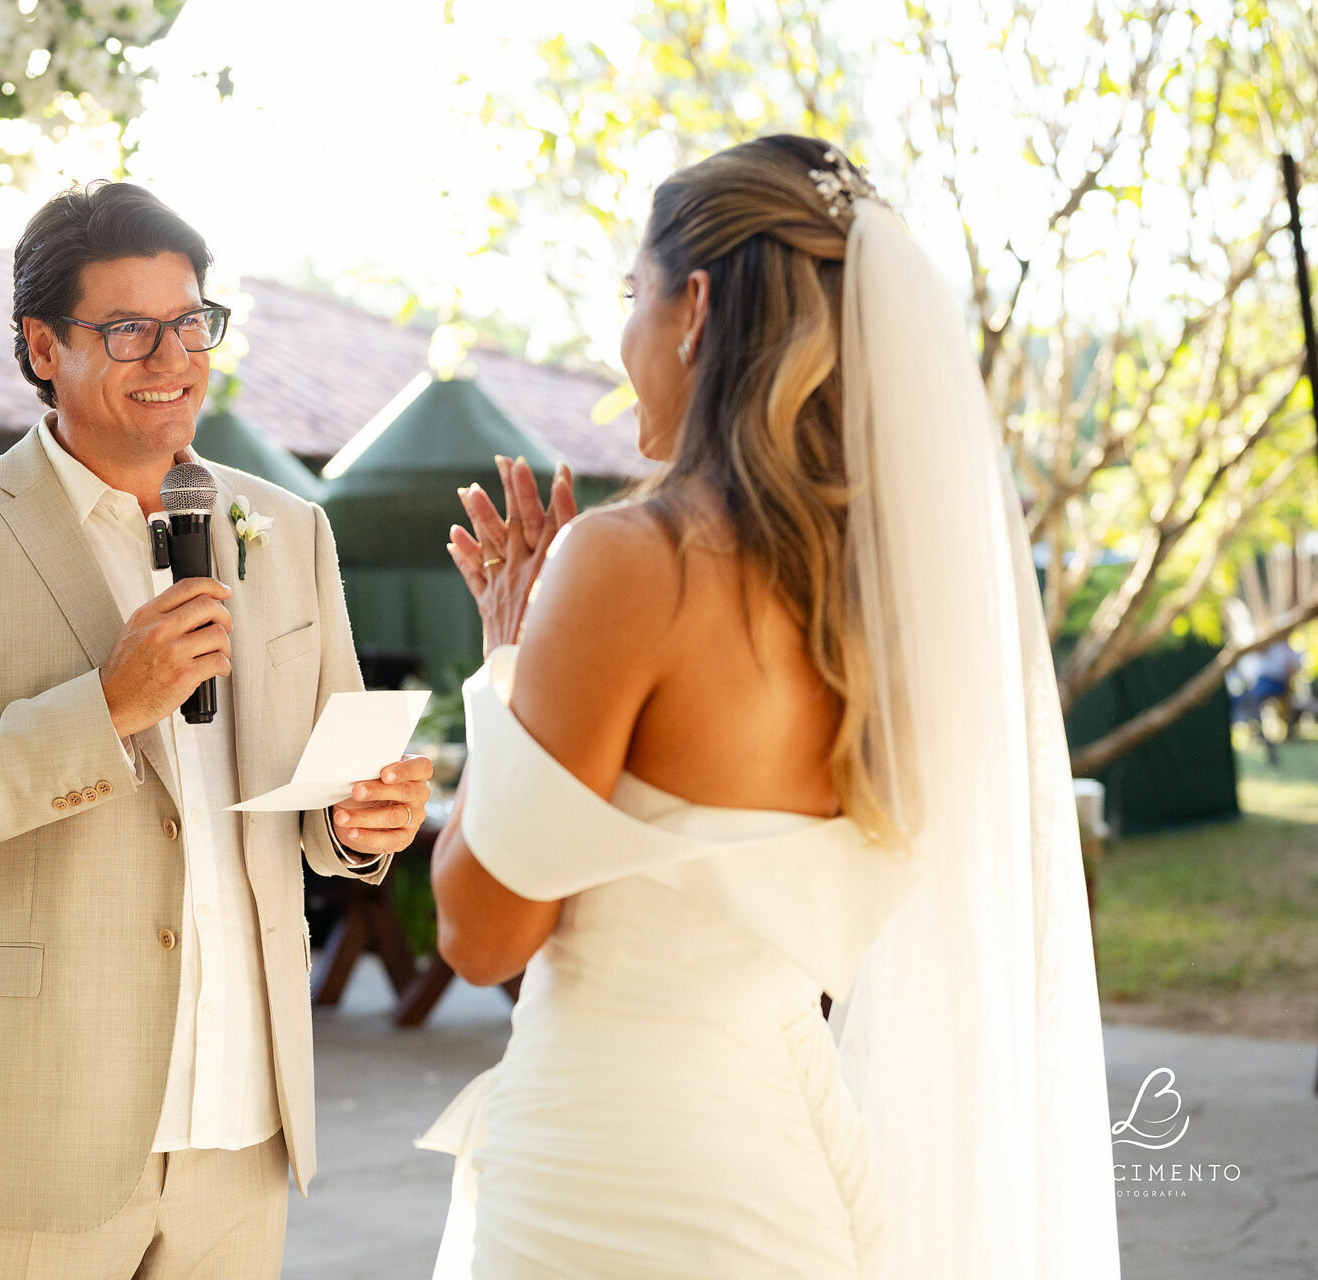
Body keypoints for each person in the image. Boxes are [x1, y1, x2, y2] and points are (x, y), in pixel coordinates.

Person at [424, 136, 1118, 1278]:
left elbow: (482, 931)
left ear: (694, 306)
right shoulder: (888, 595)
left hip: (617, 1169)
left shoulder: (634, 561)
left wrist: (509, 654)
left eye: (630, 296)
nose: (623, 339)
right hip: (794, 1158)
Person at [0, 180, 433, 1279]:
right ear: (43, 345)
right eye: (130, 328)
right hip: (31, 1128)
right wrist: (102, 710)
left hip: (243, 1115)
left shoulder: (288, 527)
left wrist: (362, 822)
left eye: (191, 322)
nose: (174, 355)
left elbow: (321, 806)